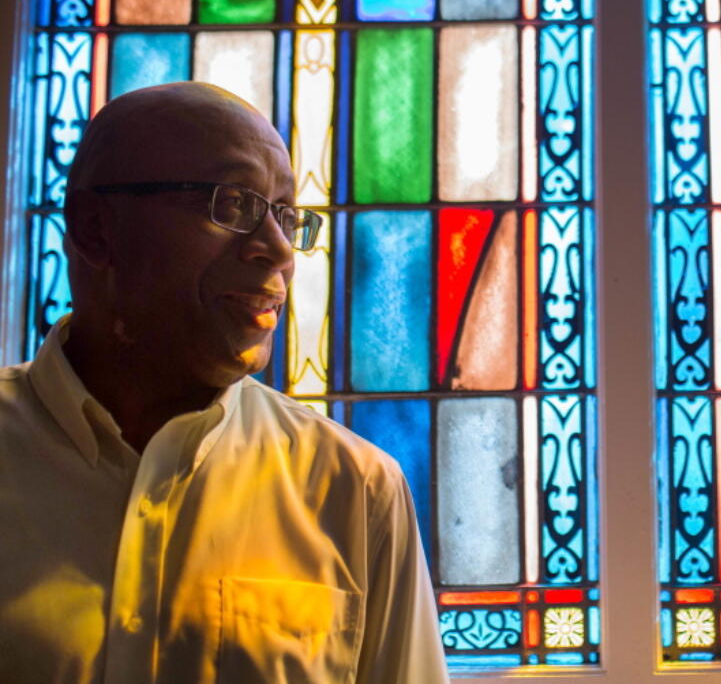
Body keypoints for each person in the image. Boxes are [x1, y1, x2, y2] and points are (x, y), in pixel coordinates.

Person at [0, 82, 449, 683]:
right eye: (234, 204)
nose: (278, 249)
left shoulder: (354, 490)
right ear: (95, 229)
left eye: (287, 217)